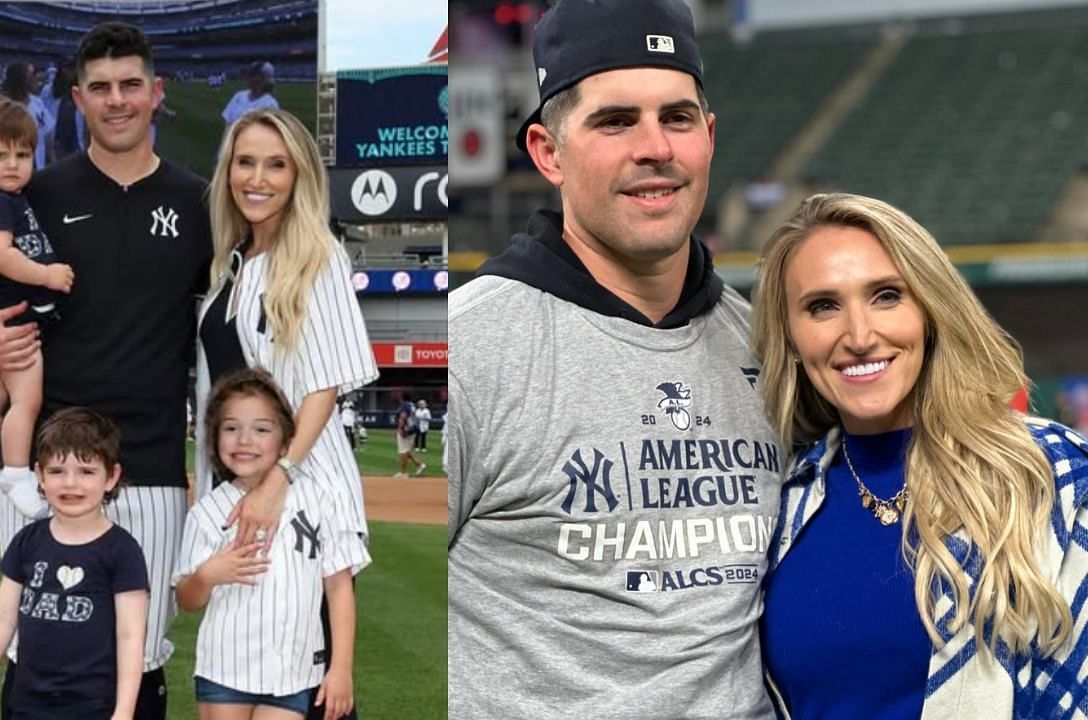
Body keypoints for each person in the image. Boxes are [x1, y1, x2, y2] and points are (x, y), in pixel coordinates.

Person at [447, 0, 783, 717]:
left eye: (678, 117)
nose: (655, 146)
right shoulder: (470, 347)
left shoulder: (767, 347)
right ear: (547, 151)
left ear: (709, 137)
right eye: (615, 120)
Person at [0, 22, 213, 720]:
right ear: (77, 98)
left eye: (131, 84)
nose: (117, 100)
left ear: (156, 93)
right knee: (33, 640)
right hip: (48, 463)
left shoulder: (199, 202)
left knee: (144, 649)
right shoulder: (30, 191)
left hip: (152, 464)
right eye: (99, 88)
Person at [752, 193, 1088, 719]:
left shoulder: (1054, 475)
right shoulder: (779, 505)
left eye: (886, 296)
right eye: (823, 306)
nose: (860, 336)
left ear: (930, 312)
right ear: (792, 337)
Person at [195, 107, 377, 720]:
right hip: (246, 485)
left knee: (313, 687)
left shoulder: (318, 255)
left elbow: (325, 386)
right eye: (245, 162)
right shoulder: (232, 263)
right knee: (255, 662)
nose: (258, 178)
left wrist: (279, 481)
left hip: (302, 492)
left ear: (300, 177)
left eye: (277, 165)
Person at [175, 369, 369, 720]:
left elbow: (339, 588)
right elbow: (187, 599)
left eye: (261, 429)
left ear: (285, 442)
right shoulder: (207, 512)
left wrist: (341, 669)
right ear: (214, 438)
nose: (244, 440)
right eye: (231, 428)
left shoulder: (320, 500)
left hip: (292, 674)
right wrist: (207, 575)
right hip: (225, 670)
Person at [0, 408, 149, 720]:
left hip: (93, 706)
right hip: (27, 702)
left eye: (87, 471)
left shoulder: (122, 551)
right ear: (39, 475)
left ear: (111, 477)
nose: (70, 483)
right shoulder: (27, 542)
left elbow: (130, 635)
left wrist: (124, 711)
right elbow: (2, 618)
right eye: (57, 471)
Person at [0, 95, 75, 518]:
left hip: (12, 304)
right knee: (26, 397)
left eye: (23, 154)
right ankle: (15, 472)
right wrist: (47, 276)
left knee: (6, 382)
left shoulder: (5, 198)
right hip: (10, 307)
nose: (12, 164)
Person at [4, 62, 56, 171]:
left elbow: (48, 136)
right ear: (20, 79)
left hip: (36, 172)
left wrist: (53, 162)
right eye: (31, 74)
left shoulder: (38, 103)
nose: (35, 78)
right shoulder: (1, 108)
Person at [220, 61, 278, 127]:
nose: (247, 77)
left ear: (263, 78)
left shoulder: (270, 104)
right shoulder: (239, 96)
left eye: (252, 74)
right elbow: (227, 122)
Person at [394, 396, 424, 479]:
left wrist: (400, 429)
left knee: (403, 451)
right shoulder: (411, 405)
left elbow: (403, 417)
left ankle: (403, 473)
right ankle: (420, 465)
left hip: (406, 430)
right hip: (413, 429)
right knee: (406, 451)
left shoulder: (404, 405)